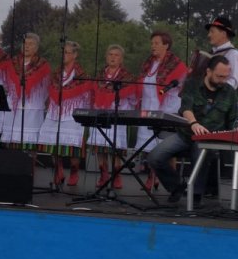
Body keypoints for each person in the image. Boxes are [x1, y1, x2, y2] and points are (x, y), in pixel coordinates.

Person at [148, 55, 238, 205]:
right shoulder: (192, 84)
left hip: (210, 139)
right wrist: (194, 123)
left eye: (225, 77)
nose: (223, 80)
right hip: (185, 134)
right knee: (154, 157)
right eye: (219, 76)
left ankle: (196, 195)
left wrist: (235, 133)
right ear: (208, 71)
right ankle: (176, 186)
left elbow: (233, 119)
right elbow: (186, 108)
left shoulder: (229, 92)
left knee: (201, 151)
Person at [135, 31, 189, 189]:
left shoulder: (176, 64)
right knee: (148, 145)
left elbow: (184, 86)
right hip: (148, 106)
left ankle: (173, 183)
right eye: (152, 43)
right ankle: (152, 175)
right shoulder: (148, 64)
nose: (153, 46)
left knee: (167, 147)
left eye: (157, 43)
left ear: (166, 45)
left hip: (167, 109)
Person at [38, 40, 92, 186]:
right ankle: (58, 170)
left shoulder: (81, 75)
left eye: (67, 52)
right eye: (63, 52)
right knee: (53, 141)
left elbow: (87, 96)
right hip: (55, 111)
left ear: (75, 55)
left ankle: (74, 172)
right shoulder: (56, 74)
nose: (64, 55)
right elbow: (50, 92)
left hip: (72, 113)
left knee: (73, 145)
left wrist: (83, 112)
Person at [90, 44, 138, 189]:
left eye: (116, 55)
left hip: (118, 114)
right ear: (106, 57)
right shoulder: (99, 75)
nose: (113, 57)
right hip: (101, 113)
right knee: (100, 146)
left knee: (116, 147)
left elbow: (133, 98)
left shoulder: (127, 77)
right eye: (110, 54)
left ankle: (116, 176)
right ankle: (103, 174)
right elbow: (93, 94)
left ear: (121, 59)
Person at [1, 32, 50, 149]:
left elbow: (46, 88)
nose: (27, 46)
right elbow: (5, 82)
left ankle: (30, 161)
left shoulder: (42, 64)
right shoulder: (12, 62)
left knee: (30, 143)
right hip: (14, 106)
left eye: (31, 44)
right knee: (13, 140)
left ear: (36, 48)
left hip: (32, 107)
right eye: (25, 43)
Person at [205, 15, 238, 89]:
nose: (209, 35)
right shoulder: (211, 53)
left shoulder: (233, 54)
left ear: (223, 34)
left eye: (212, 31)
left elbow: (232, 82)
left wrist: (213, 89)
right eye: (209, 32)